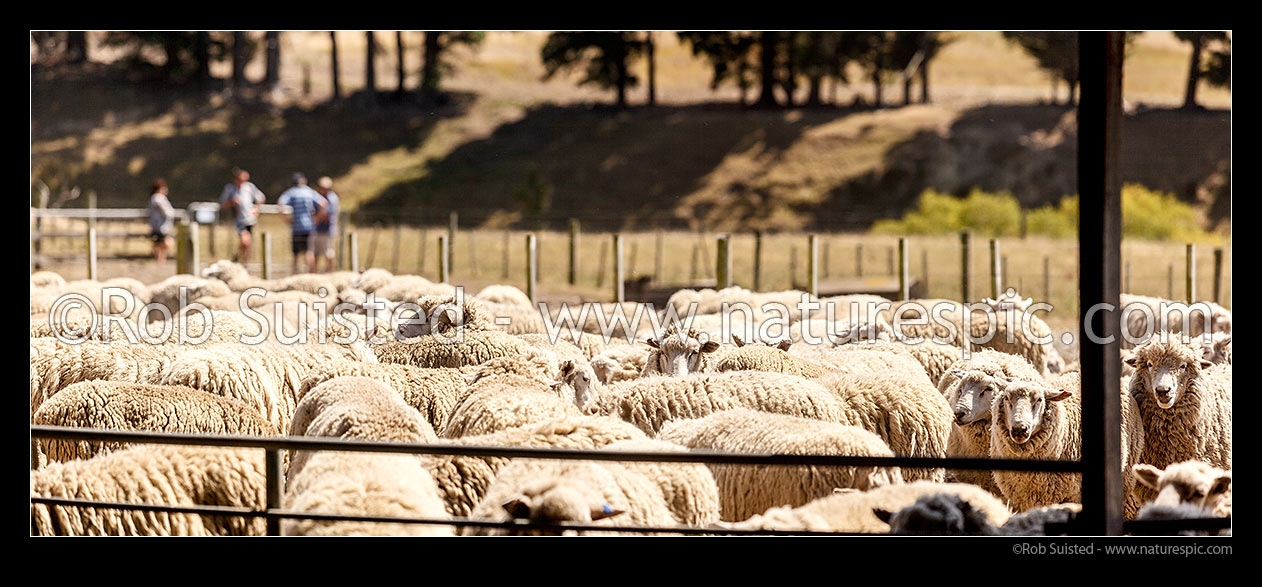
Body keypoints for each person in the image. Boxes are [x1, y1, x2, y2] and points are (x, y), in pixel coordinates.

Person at [276, 172, 327, 274]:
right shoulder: (309, 192)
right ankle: (311, 274)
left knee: (296, 254)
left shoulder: (291, 193)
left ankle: (295, 275)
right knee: (309, 252)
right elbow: (323, 202)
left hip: (296, 228)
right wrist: (317, 218)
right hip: (309, 227)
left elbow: (280, 205)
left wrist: (287, 220)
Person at [218, 168, 266, 263]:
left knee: (247, 243)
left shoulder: (250, 187)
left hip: (250, 219)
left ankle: (242, 261)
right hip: (238, 219)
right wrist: (232, 202)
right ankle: (240, 259)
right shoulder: (230, 188)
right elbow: (222, 203)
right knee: (245, 240)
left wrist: (257, 209)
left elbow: (261, 198)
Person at [311, 176, 340, 273]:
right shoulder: (317, 197)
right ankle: (315, 273)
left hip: (327, 230)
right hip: (318, 229)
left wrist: (317, 218)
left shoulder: (332, 198)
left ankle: (329, 272)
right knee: (316, 253)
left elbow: (328, 215)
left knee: (329, 252)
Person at [148, 178, 176, 263]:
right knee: (165, 242)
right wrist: (170, 213)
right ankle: (160, 259)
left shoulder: (155, 198)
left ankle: (161, 259)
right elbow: (166, 211)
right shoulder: (158, 198)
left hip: (159, 225)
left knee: (159, 243)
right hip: (160, 226)